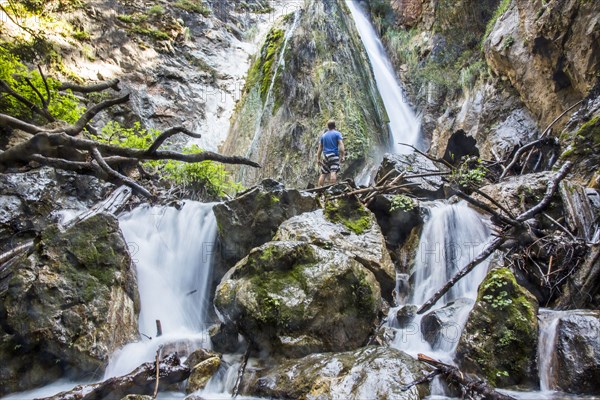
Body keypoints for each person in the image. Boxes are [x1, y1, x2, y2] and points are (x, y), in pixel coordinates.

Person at [316, 120, 346, 186]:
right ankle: (331, 189)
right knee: (333, 172)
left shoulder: (323, 136)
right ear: (335, 126)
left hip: (326, 156)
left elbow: (320, 148)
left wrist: (318, 159)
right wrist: (343, 155)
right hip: (334, 155)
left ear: (328, 127)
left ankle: (319, 190)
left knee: (323, 173)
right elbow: (341, 145)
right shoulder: (337, 134)